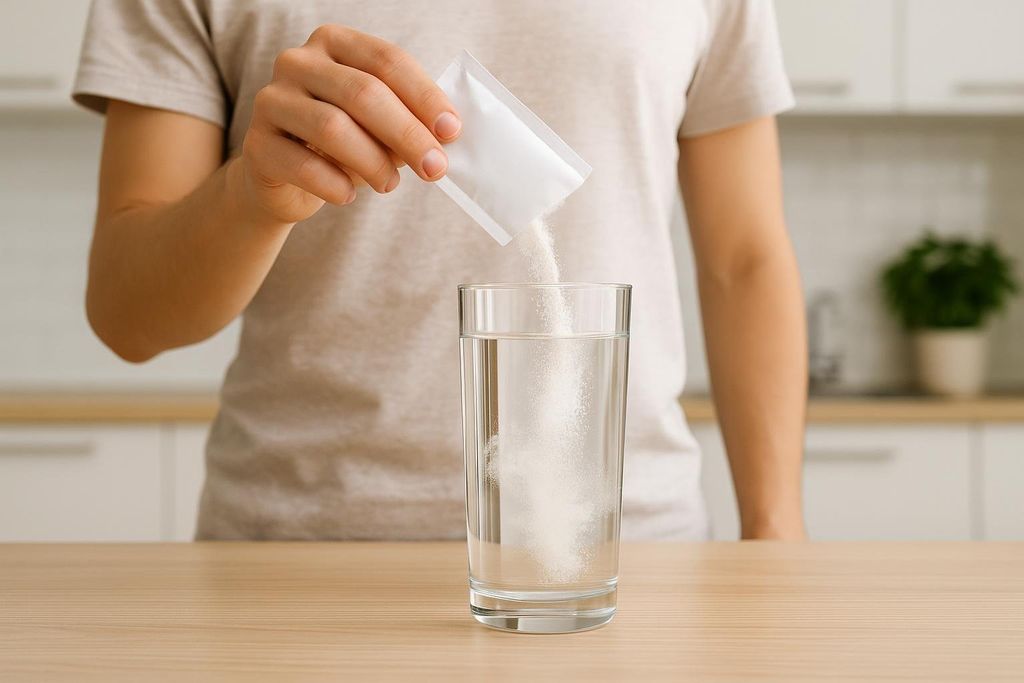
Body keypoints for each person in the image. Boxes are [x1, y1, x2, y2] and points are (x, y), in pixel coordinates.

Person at [74, 0, 807, 541]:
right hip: (295, 557)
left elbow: (745, 260)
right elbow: (125, 314)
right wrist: (250, 193)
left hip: (618, 551)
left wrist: (776, 534)